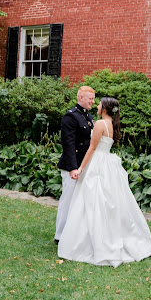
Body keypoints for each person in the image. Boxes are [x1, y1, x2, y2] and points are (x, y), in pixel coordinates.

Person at [58, 97, 151, 267]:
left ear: (104, 108)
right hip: (108, 163)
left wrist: (80, 168)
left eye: (99, 103)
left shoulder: (99, 124)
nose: (96, 105)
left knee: (92, 201)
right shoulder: (111, 123)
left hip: (97, 163)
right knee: (107, 201)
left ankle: (89, 240)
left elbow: (92, 148)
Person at [55, 86, 96, 243]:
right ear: (81, 98)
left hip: (83, 165)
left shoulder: (87, 115)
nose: (93, 101)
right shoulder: (71, 117)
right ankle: (60, 235)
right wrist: (73, 168)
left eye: (93, 98)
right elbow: (69, 144)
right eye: (90, 98)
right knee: (68, 200)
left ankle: (75, 233)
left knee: (80, 200)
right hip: (71, 166)